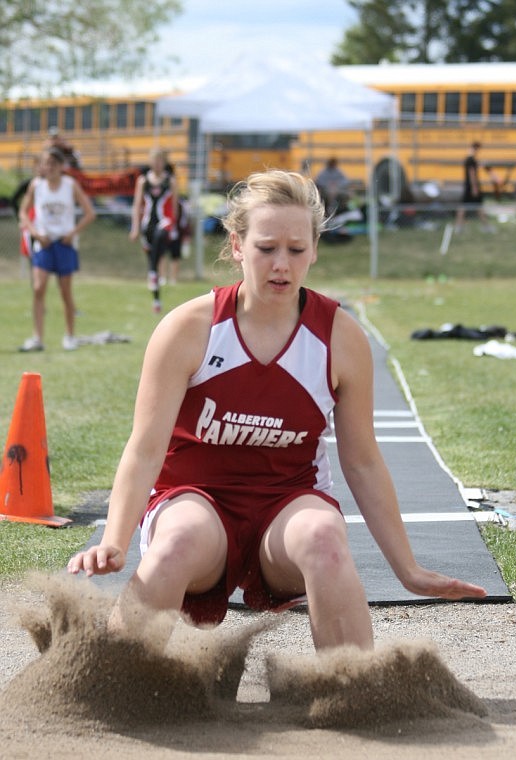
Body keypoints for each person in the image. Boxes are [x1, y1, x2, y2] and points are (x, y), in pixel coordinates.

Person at [68, 170, 486, 650]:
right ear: (237, 244)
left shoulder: (340, 338)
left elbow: (363, 460)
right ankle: (109, 683)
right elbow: (144, 447)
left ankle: (356, 693)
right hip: (194, 500)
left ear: (314, 250)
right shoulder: (189, 328)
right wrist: (115, 540)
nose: (281, 265)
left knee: (326, 537)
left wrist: (408, 570)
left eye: (296, 249)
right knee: (177, 543)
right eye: (266, 248)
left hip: (286, 506)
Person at [18, 147, 95, 352]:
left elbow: (89, 213)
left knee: (65, 292)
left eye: (53, 164)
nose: (49, 168)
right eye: (46, 163)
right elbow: (23, 212)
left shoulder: (70, 185)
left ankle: (70, 336)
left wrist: (72, 234)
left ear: (61, 166)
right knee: (38, 288)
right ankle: (37, 338)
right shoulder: (37, 185)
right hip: (43, 243)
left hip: (64, 244)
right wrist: (35, 233)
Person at [129, 149, 178, 312]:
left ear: (164, 163)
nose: (157, 164)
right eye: (154, 161)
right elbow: (137, 206)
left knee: (160, 236)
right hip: (147, 224)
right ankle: (156, 300)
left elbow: (174, 206)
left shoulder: (170, 181)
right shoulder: (143, 181)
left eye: (160, 161)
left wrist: (174, 226)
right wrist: (135, 228)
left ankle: (152, 272)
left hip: (165, 222)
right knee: (152, 259)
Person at [455, 142, 494, 232]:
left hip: (469, 186)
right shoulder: (471, 160)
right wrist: (474, 187)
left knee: (464, 207)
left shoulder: (469, 159)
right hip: (472, 186)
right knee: (477, 207)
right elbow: (472, 174)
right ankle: (486, 226)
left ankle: (459, 226)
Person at [158, 195, 191, 285]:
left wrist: (186, 234)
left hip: (176, 234)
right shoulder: (163, 202)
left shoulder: (181, 204)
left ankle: (173, 279)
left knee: (175, 257)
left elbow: (184, 221)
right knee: (161, 255)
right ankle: (162, 277)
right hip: (164, 232)